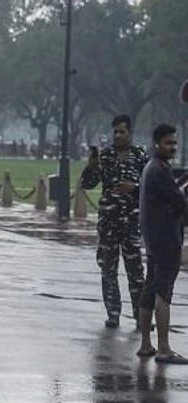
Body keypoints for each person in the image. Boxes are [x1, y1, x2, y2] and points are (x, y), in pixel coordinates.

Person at [80, 114, 147, 328]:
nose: (118, 135)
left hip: (131, 222)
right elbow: (87, 184)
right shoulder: (106, 156)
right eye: (115, 132)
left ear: (130, 132)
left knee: (135, 271)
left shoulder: (139, 156)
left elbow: (151, 188)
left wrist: (134, 188)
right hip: (108, 222)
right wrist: (91, 167)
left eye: (122, 132)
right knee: (108, 269)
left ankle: (140, 315)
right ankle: (113, 313)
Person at [136, 124, 188, 364]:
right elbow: (179, 202)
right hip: (166, 239)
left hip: (153, 238)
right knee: (163, 293)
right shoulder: (159, 170)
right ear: (157, 143)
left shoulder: (152, 167)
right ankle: (164, 348)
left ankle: (146, 344)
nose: (173, 147)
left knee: (150, 289)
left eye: (175, 143)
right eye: (168, 143)